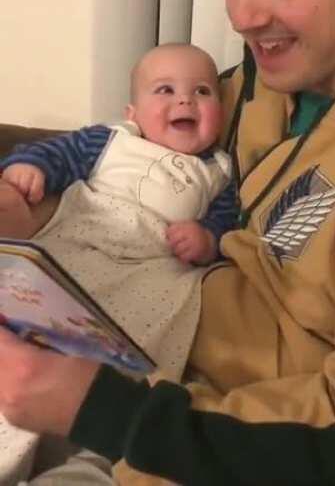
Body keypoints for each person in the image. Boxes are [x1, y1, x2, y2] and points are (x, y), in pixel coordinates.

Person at [0, 0, 335, 485]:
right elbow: (145, 161)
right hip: (160, 366)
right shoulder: (261, 84)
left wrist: (111, 416)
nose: (242, 16)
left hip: (216, 437)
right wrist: (31, 209)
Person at [0, 42, 236, 378]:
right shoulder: (112, 140)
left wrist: (206, 239)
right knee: (37, 284)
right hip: (84, 235)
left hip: (151, 263)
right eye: (165, 89)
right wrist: (30, 166)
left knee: (150, 312)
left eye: (202, 91)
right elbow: (63, 154)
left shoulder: (218, 172)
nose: (185, 100)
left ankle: (104, 375)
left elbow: (226, 220)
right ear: (133, 113)